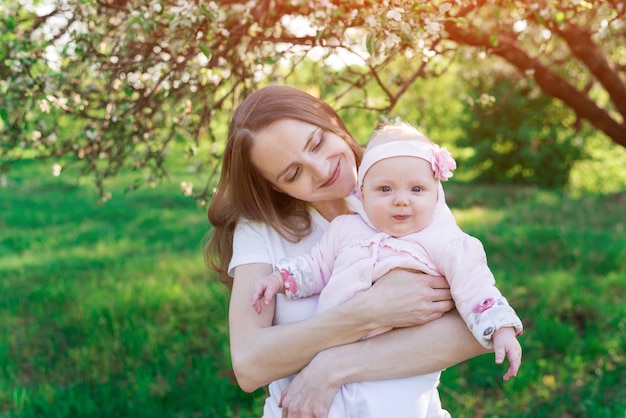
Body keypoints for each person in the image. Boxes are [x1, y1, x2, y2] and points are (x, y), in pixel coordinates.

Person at [205, 86, 489, 418]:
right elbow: (250, 364)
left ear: (330, 120)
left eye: (317, 143)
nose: (322, 170)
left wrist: (332, 367)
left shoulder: (400, 193)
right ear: (275, 185)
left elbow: (473, 327)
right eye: (293, 173)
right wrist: (369, 311)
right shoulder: (260, 231)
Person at [250, 122, 524, 415]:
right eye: (385, 189)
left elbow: (477, 287)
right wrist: (280, 280)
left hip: (395, 368)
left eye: (417, 188)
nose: (401, 199)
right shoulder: (346, 229)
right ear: (363, 193)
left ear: (436, 193)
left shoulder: (447, 243)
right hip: (333, 359)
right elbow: (315, 266)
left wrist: (501, 329)